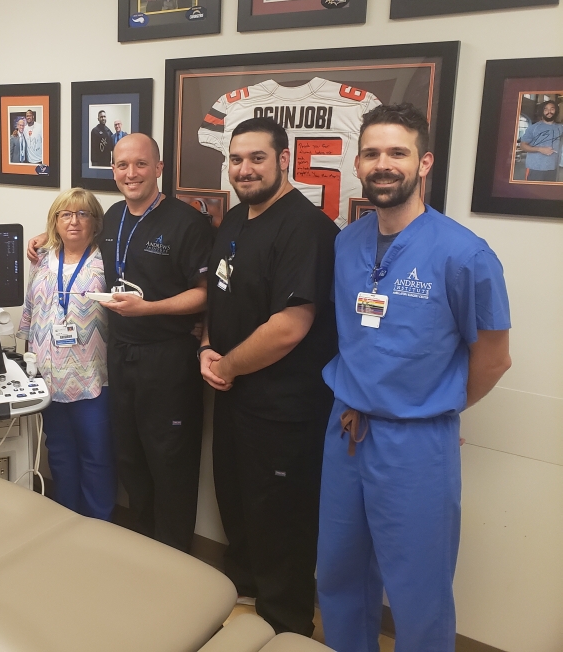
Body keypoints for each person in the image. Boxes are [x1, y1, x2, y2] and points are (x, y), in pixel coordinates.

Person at [316, 104, 512, 652]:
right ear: (357, 163)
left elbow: (494, 358)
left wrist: (436, 407)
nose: (384, 164)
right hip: (346, 430)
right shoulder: (346, 243)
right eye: (372, 153)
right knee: (338, 572)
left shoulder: (464, 254)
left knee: (417, 588)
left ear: (424, 162)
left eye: (397, 153)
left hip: (416, 442)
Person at [28, 133, 213, 552]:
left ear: (159, 168)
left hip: (167, 359)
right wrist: (42, 240)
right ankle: (139, 551)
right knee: (130, 459)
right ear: (113, 170)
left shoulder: (186, 222)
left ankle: (172, 560)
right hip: (120, 358)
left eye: (141, 164)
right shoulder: (112, 218)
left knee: (169, 464)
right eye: (122, 165)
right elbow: (74, 236)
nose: (131, 173)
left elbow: (206, 293)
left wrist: (150, 309)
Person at [199, 118, 337, 637]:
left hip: (286, 411)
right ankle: (244, 618)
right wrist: (210, 347)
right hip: (235, 399)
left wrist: (226, 366)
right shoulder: (235, 221)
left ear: (284, 160)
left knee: (281, 526)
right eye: (236, 159)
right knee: (238, 508)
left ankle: (286, 631)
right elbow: (219, 294)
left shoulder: (308, 228)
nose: (244, 169)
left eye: (257, 158)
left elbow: (289, 327)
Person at [18, 188, 116, 520]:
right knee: (59, 454)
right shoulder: (43, 259)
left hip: (93, 377)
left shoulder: (106, 261)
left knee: (96, 455)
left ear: (95, 222)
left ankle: (97, 526)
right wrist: (24, 353)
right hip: (49, 376)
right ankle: (66, 522)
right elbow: (31, 309)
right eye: (66, 214)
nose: (74, 221)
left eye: (82, 214)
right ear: (55, 221)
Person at [519, 100, 562, 182]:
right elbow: (523, 146)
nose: (549, 111)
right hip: (535, 168)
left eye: (552, 109)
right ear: (542, 112)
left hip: (554, 168)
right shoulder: (533, 128)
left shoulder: (560, 128)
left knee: (548, 193)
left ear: (556, 110)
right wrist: (539, 149)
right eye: (546, 109)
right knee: (532, 193)